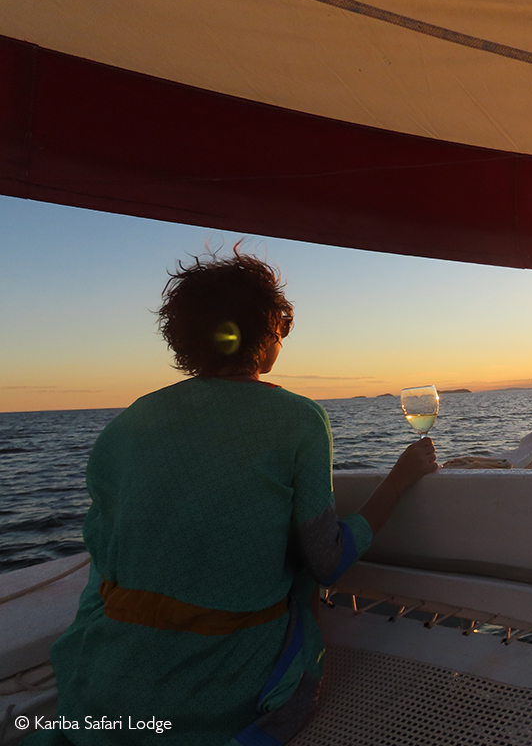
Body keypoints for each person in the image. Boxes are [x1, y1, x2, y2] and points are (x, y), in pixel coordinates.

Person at [24, 249, 437, 745]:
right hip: (213, 685)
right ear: (267, 338)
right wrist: (400, 477)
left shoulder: (130, 421)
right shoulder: (297, 418)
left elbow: (104, 553)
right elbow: (326, 560)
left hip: (109, 676)